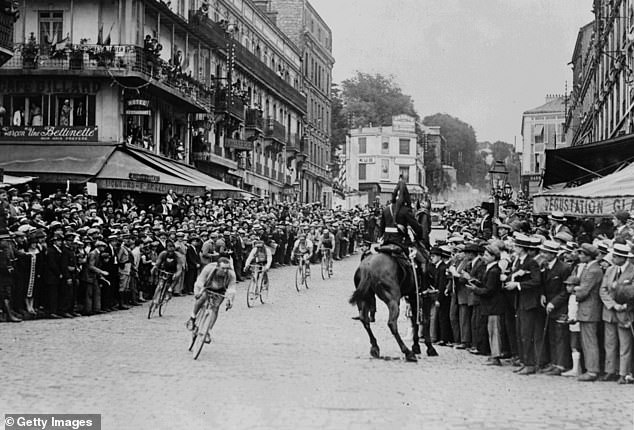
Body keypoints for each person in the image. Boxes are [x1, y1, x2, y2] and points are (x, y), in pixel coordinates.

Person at [599, 243, 634, 384]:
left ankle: (623, 373)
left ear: (623, 257)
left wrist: (624, 306)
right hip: (610, 311)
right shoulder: (610, 270)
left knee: (625, 345)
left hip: (625, 313)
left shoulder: (632, 271)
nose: (612, 258)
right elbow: (603, 290)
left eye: (615, 256)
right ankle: (610, 371)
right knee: (610, 343)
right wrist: (613, 305)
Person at [539, 240, 572, 376]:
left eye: (546, 252)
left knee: (560, 336)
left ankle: (561, 364)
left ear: (553, 254)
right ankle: (553, 362)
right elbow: (542, 283)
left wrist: (554, 302)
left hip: (559, 306)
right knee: (552, 335)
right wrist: (542, 294)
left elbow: (565, 290)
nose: (544, 254)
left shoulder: (564, 268)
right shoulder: (545, 266)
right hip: (548, 305)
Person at [574, 243, 603, 382]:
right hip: (587, 309)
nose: (579, 256)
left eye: (581, 254)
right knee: (587, 340)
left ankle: (592, 370)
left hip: (589, 310)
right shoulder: (589, 268)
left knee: (589, 341)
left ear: (588, 256)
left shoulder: (593, 271)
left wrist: (574, 290)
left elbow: (584, 290)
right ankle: (590, 368)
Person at [186, 257, 235, 331]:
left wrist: (230, 300)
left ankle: (208, 331)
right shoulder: (208, 268)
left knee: (216, 307)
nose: (225, 271)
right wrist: (197, 293)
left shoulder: (231, 274)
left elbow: (232, 288)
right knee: (202, 298)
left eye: (227, 268)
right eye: (223, 268)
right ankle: (192, 317)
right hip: (207, 287)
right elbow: (200, 281)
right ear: (217, 267)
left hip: (221, 289)